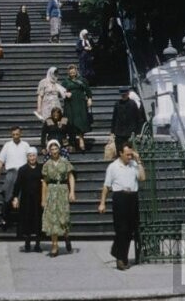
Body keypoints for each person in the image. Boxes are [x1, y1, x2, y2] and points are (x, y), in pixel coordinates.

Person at [98, 141, 146, 270]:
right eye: (127, 154)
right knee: (121, 228)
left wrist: (139, 161)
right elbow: (106, 186)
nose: (129, 157)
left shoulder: (134, 164)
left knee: (130, 229)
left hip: (132, 197)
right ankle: (120, 258)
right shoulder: (113, 167)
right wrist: (102, 203)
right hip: (120, 197)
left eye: (131, 154)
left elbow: (142, 178)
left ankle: (117, 252)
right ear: (120, 153)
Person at [41, 139, 75, 257]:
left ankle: (66, 236)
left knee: (63, 216)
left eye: (56, 149)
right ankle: (54, 245)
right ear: (49, 151)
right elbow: (44, 182)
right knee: (52, 218)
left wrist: (72, 192)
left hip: (63, 189)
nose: (54, 151)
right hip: (51, 190)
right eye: (52, 149)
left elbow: (71, 177)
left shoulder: (65, 162)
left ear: (59, 149)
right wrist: (43, 198)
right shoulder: (47, 164)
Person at [0, 125, 31, 231]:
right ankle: (4, 218)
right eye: (13, 134)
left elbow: (31, 159)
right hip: (11, 172)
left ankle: (24, 222)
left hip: (23, 173)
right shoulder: (7, 145)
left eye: (17, 134)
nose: (15, 136)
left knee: (23, 197)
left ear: (20, 134)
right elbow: (0, 159)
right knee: (7, 195)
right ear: (11, 134)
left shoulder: (25, 145)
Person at [12, 147, 43, 252]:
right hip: (26, 199)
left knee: (38, 220)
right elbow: (17, 185)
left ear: (36, 156)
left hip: (38, 199)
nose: (32, 158)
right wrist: (15, 197)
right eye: (30, 156)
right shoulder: (23, 169)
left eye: (34, 155)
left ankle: (38, 244)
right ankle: (27, 242)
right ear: (27, 157)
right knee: (27, 220)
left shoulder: (41, 168)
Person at [61, 63, 93, 151]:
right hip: (69, 104)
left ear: (76, 71)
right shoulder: (65, 81)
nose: (72, 73)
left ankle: (81, 139)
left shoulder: (82, 80)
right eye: (70, 72)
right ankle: (72, 142)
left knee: (80, 121)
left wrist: (90, 99)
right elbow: (61, 92)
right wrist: (65, 93)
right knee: (71, 121)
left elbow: (88, 90)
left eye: (73, 72)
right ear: (68, 73)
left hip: (80, 103)